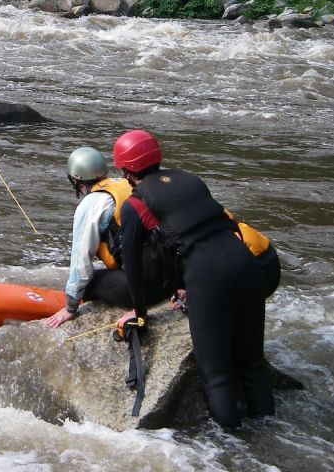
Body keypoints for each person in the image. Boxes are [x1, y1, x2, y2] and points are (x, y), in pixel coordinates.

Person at [113, 129, 275, 429]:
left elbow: (133, 265)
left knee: (218, 377)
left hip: (209, 278)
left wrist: (140, 311)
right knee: (252, 368)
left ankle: (233, 453)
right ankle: (271, 435)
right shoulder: (190, 180)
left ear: (125, 169)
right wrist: (182, 286)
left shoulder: (134, 205)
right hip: (248, 266)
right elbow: (194, 232)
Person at [41, 147, 174, 329]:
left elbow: (81, 259)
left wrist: (71, 306)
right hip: (171, 278)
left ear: (76, 179)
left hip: (144, 289)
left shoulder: (90, 204)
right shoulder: (128, 184)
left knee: (87, 284)